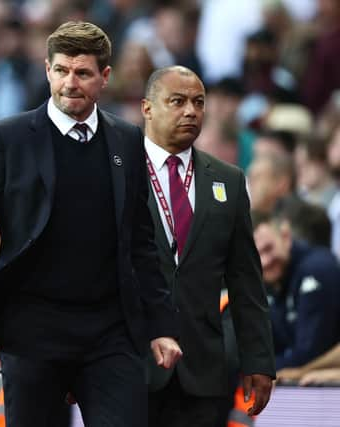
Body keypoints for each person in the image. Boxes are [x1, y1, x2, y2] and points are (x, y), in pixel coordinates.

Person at [0, 21, 182, 427]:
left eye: (83, 73)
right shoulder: (7, 138)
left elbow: (141, 244)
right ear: (47, 70)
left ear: (104, 77)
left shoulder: (126, 140)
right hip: (33, 331)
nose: (70, 83)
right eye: (61, 70)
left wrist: (161, 325)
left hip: (111, 333)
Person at [140, 65, 275, 427]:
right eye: (178, 101)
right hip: (129, 365)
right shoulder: (117, 170)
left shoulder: (229, 180)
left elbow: (246, 277)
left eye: (199, 102)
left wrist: (258, 360)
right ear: (147, 108)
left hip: (202, 368)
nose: (191, 111)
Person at [252, 211, 340, 371]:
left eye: (268, 249)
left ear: (285, 236)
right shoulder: (267, 283)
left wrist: (259, 370)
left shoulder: (317, 269)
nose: (265, 261)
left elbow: (310, 353)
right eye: (256, 256)